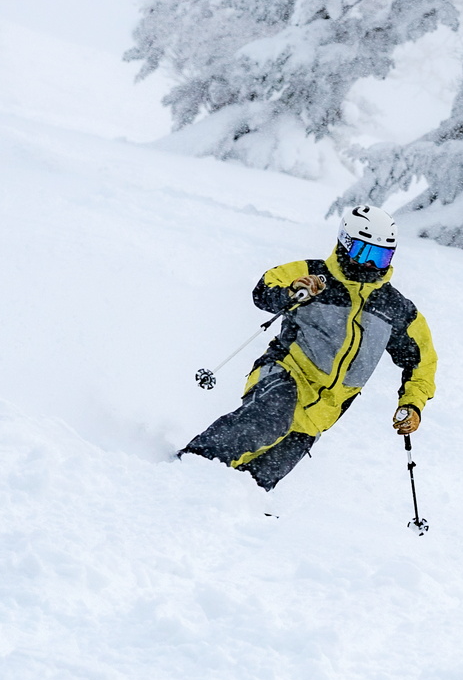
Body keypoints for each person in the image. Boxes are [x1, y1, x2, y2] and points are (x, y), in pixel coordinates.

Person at [179, 204, 436, 490]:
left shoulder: (396, 309)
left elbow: (422, 361)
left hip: (322, 412)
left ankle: (215, 507)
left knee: (255, 481)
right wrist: (292, 291)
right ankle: (188, 464)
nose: (372, 266)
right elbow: (264, 290)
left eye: (382, 256)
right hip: (284, 375)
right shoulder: (313, 274)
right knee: (268, 421)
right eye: (365, 254)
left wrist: (412, 404)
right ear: (345, 244)